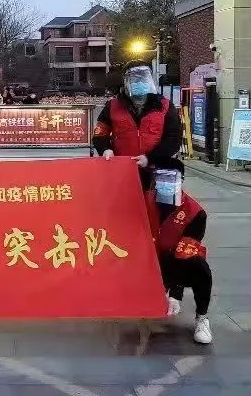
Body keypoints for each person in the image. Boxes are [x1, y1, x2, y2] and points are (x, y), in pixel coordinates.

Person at [148, 159, 213, 344]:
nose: (165, 183)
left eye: (171, 178)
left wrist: (174, 293)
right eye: (161, 178)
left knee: (200, 268)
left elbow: (183, 253)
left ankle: (202, 318)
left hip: (174, 262)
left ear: (181, 180)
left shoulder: (195, 213)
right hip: (147, 260)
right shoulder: (144, 202)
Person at [92, 60, 182, 190]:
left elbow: (174, 139)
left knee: (154, 202)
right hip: (123, 170)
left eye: (143, 78)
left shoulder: (165, 106)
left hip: (157, 172)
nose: (139, 82)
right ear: (125, 82)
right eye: (134, 79)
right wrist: (105, 149)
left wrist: (150, 159)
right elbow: (100, 134)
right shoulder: (112, 106)